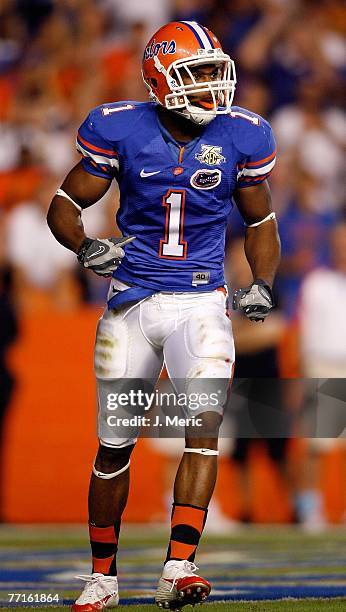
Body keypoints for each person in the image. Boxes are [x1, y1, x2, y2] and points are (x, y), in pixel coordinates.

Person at [47, 21, 280, 611]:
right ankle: (103, 576)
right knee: (114, 444)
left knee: (202, 432)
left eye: (214, 72)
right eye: (197, 74)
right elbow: (67, 203)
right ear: (160, 78)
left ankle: (180, 567)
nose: (213, 87)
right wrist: (83, 246)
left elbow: (260, 221)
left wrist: (262, 282)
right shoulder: (119, 127)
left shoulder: (243, 136)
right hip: (130, 301)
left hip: (201, 302)